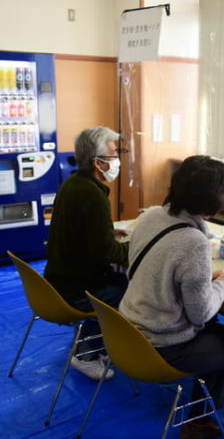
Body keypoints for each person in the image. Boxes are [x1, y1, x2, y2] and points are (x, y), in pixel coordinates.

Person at [119, 156, 224, 439]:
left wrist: (203, 277)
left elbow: (158, 268)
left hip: (129, 333)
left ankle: (199, 421)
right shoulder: (194, 241)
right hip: (163, 344)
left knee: (217, 336)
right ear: (213, 197)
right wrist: (223, 284)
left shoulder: (151, 215)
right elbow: (200, 313)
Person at [44, 126, 129, 381]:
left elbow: (80, 233)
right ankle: (87, 355)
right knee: (129, 290)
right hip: (76, 290)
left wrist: (107, 233)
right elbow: (108, 253)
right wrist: (140, 246)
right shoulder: (93, 195)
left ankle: (97, 345)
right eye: (114, 154)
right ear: (98, 162)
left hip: (57, 280)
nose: (118, 160)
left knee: (116, 283)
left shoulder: (73, 184)